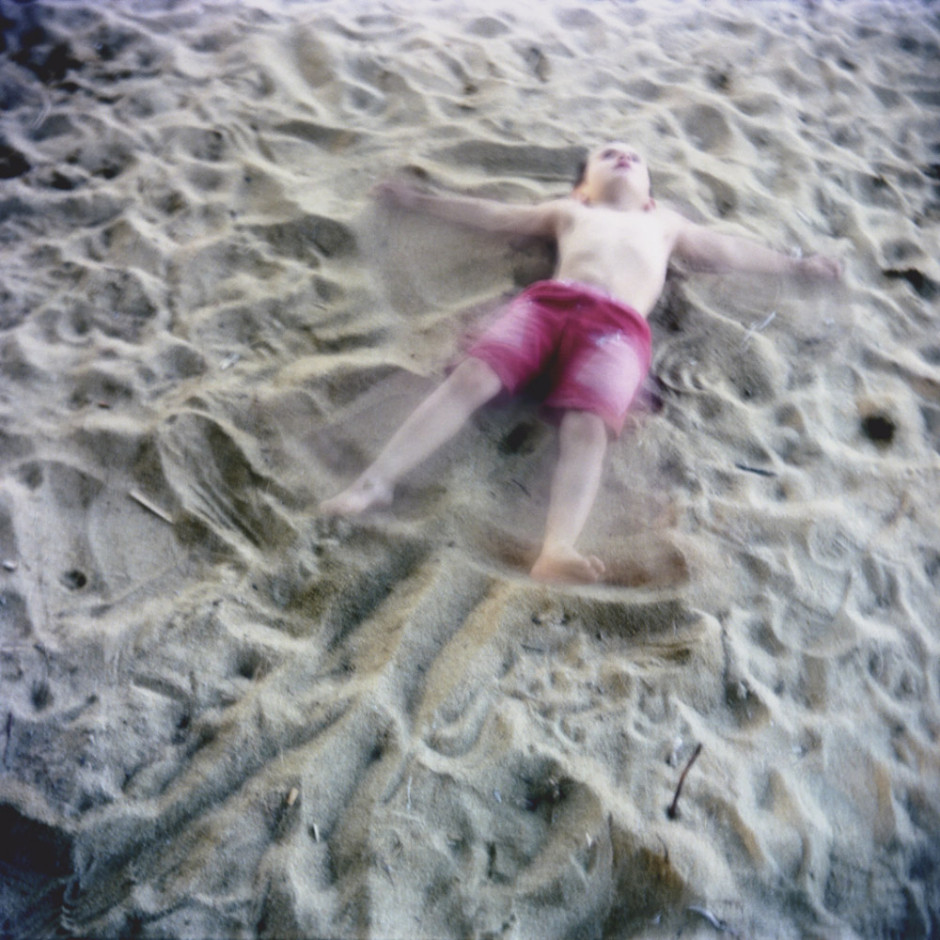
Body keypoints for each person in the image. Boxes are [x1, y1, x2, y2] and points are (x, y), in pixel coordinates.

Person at [320, 142, 841, 584]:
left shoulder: (664, 222)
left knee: (588, 426)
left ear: (649, 193)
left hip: (617, 329)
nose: (621, 158)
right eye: (607, 154)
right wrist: (420, 201)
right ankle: (375, 480)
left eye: (633, 157)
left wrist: (797, 267)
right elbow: (497, 217)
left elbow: (727, 252)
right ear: (582, 188)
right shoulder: (571, 212)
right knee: (471, 377)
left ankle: (557, 548)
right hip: (546, 306)